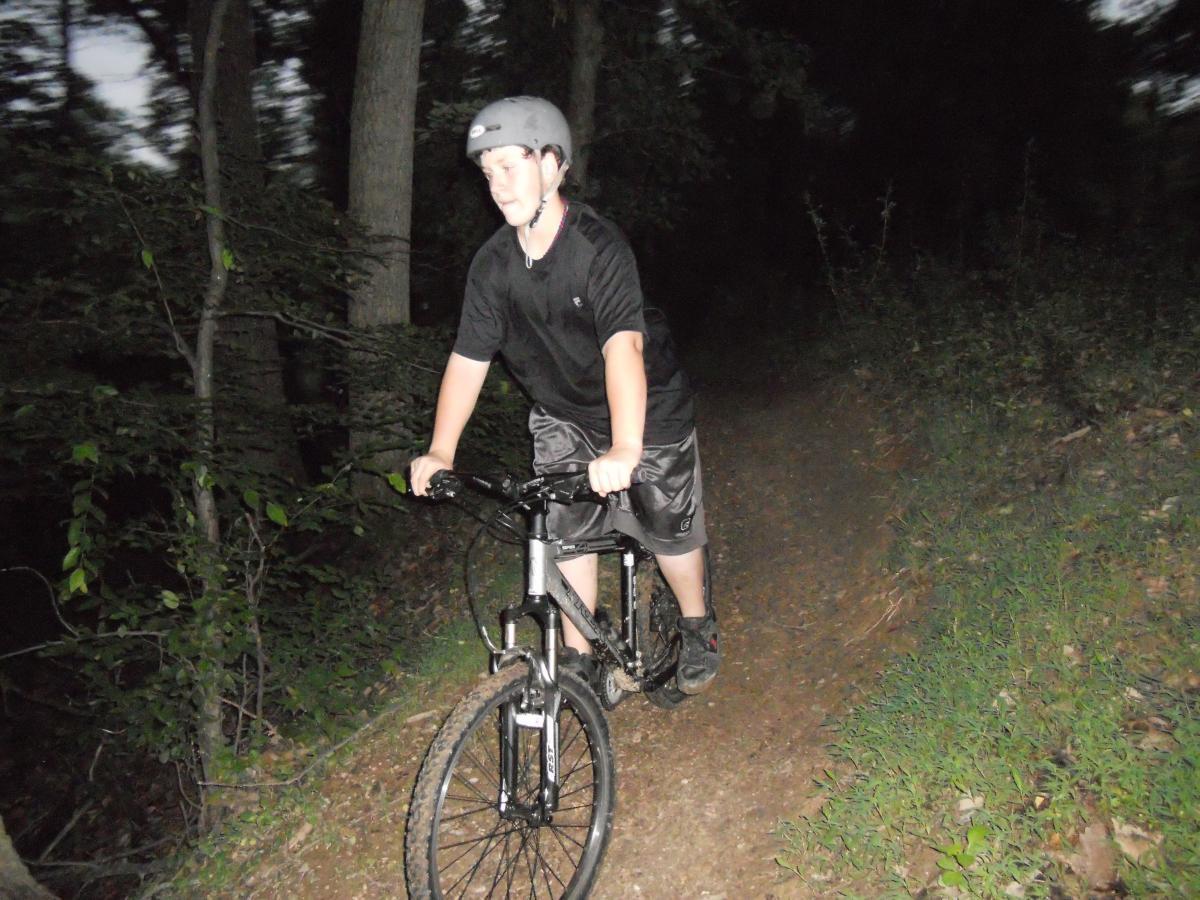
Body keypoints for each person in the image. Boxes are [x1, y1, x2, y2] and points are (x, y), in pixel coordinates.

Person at [409, 96, 719, 694]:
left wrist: (627, 447)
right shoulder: (493, 266)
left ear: (553, 165)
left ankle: (698, 623)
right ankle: (579, 661)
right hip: (562, 413)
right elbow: (469, 360)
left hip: (645, 407)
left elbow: (622, 350)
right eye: (488, 171)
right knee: (567, 528)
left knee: (668, 524)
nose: (497, 185)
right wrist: (442, 450)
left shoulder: (597, 248)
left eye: (512, 165)